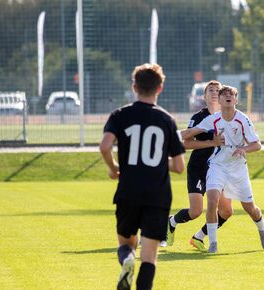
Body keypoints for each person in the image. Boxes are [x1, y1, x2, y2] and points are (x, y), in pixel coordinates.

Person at [100, 63, 185, 290]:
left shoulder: (120, 115)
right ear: (160, 88)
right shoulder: (167, 120)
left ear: (134, 86)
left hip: (128, 190)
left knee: (126, 244)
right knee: (149, 257)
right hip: (158, 195)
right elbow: (179, 166)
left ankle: (127, 260)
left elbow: (105, 146)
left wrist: (113, 167)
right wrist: (158, 161)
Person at [181, 85, 264, 253]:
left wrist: (243, 149)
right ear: (220, 100)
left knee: (249, 208)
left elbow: (257, 144)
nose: (228, 96)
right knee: (212, 200)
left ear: (236, 100)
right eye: (224, 94)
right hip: (218, 165)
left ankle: (262, 228)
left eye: (232, 94)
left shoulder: (243, 119)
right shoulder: (213, 119)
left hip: (238, 168)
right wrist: (172, 135)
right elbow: (189, 133)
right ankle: (213, 244)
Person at [166, 80, 233, 251]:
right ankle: (171, 222)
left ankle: (199, 237)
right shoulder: (198, 118)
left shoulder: (230, 116)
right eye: (210, 90)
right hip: (199, 168)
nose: (214, 92)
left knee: (226, 211)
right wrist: (212, 142)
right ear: (204, 96)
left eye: (217, 90)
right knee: (195, 211)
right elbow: (185, 143)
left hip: (220, 169)